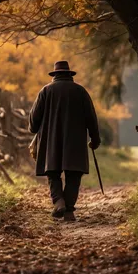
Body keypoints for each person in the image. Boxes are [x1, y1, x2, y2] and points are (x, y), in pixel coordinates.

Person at [29, 61, 101, 221]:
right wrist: (95, 139)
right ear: (69, 74)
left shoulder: (45, 91)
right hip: (75, 141)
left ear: (54, 75)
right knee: (73, 174)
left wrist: (35, 129)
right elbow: (91, 118)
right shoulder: (80, 91)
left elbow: (33, 122)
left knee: (52, 173)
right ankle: (68, 209)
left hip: (50, 141)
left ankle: (59, 202)